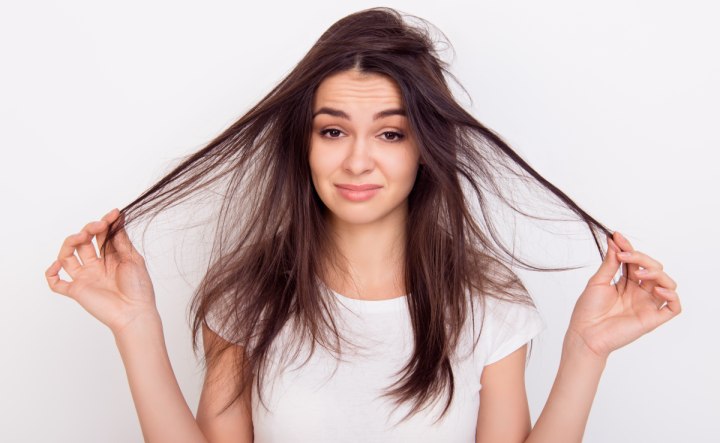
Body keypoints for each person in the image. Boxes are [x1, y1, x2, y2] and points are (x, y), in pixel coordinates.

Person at [44, 7, 681, 443]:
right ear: (305, 143)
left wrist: (586, 352)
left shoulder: (488, 304)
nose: (356, 159)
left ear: (424, 147)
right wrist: (136, 327)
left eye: (390, 133)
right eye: (332, 130)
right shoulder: (249, 297)